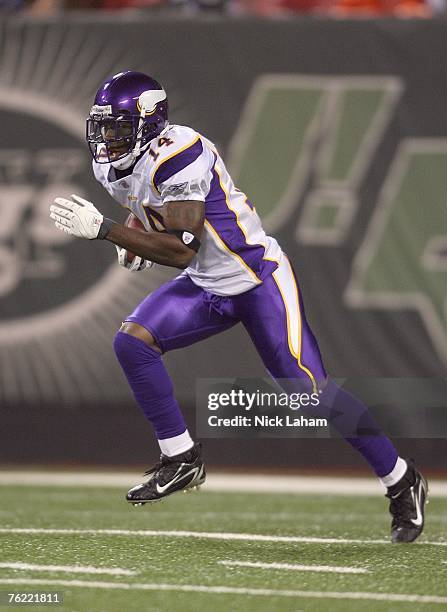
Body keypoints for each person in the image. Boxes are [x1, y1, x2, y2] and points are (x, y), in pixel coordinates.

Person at [50, 70, 427, 543]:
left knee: (311, 392)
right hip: (207, 284)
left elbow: (182, 246)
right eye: (104, 126)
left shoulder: (180, 154)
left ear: (150, 122)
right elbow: (146, 205)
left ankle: (400, 478)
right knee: (132, 343)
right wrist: (134, 234)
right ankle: (181, 457)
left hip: (255, 278)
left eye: (120, 126)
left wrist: (109, 231)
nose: (108, 138)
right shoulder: (112, 165)